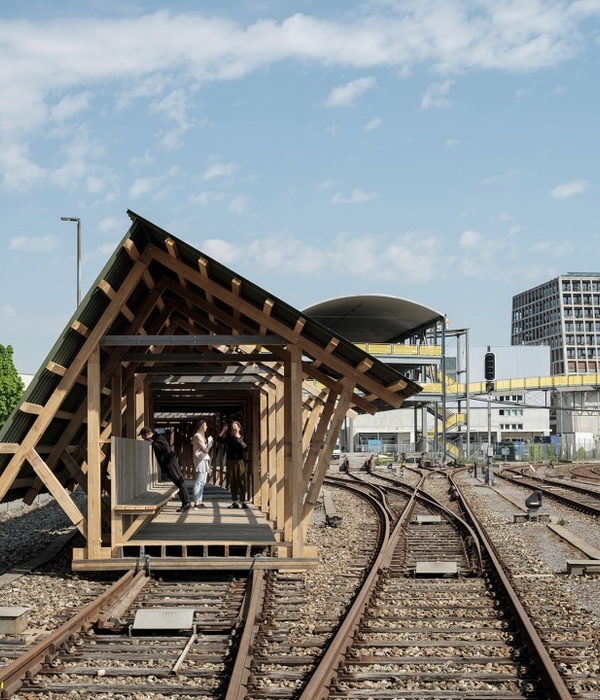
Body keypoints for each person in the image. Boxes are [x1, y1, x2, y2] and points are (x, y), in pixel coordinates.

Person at [139, 426, 193, 512]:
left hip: (170, 464)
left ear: (147, 434)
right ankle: (185, 502)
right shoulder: (156, 438)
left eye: (142, 436)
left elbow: (165, 448)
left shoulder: (158, 438)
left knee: (179, 482)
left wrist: (153, 444)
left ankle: (186, 502)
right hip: (170, 463)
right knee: (178, 482)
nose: (142, 438)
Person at [218, 420, 248, 508]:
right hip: (230, 461)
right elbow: (219, 440)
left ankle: (243, 501)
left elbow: (247, 449)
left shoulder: (242, 437)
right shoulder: (229, 438)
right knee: (232, 481)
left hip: (239, 461)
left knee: (241, 482)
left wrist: (241, 442)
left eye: (235, 428)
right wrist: (223, 430)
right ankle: (235, 501)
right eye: (232, 428)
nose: (233, 430)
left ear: (239, 428)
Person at [192, 420, 213, 508]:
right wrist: (209, 444)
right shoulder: (198, 436)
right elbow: (205, 449)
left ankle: (199, 501)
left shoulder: (201, 436)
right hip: (200, 459)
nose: (206, 427)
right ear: (201, 426)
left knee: (203, 481)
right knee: (199, 481)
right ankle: (197, 501)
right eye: (205, 425)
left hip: (203, 459)